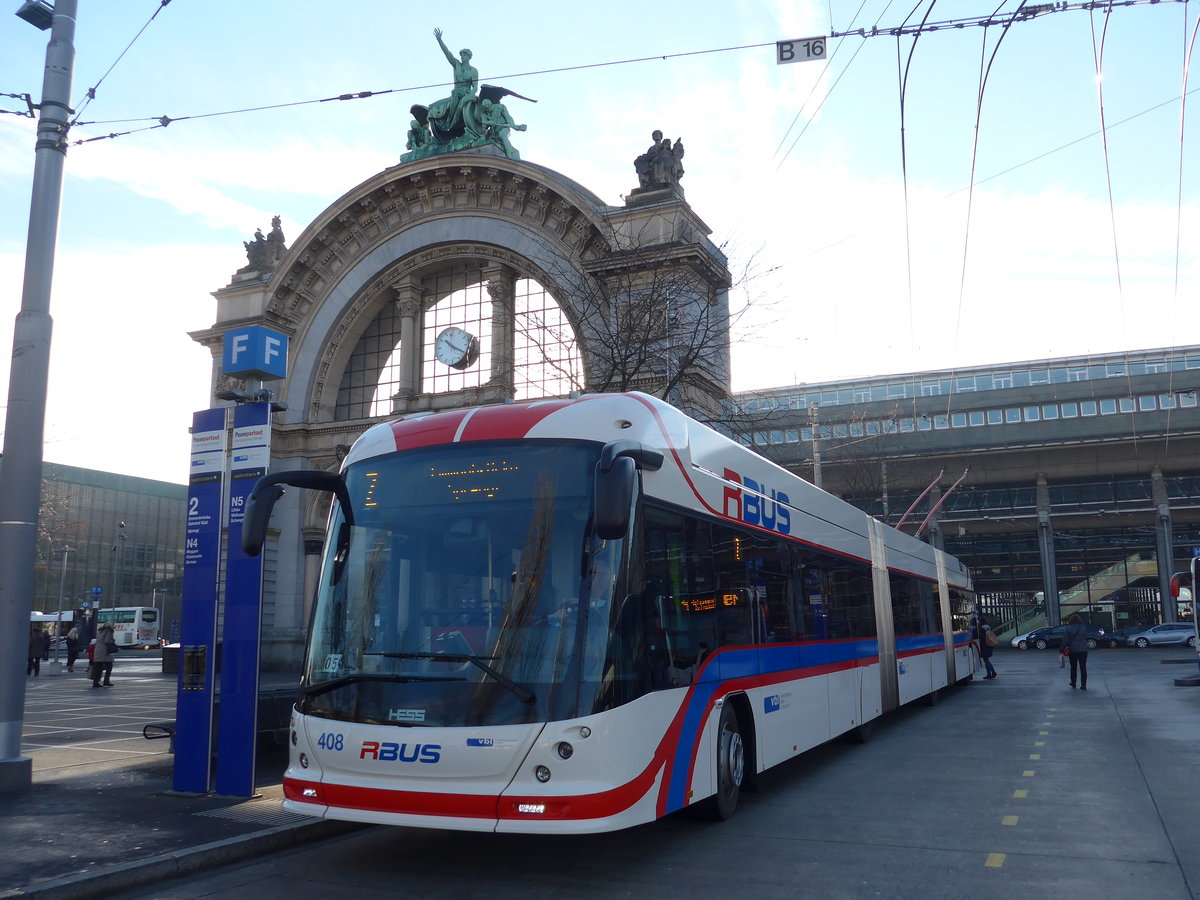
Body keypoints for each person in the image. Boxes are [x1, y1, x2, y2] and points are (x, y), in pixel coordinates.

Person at [1063, 613, 1089, 690]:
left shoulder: (1068, 629)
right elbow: (1086, 637)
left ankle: (1073, 683)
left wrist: (1062, 649)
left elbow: (1065, 640)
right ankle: (1083, 685)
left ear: (1071, 620)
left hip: (1073, 650)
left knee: (1073, 667)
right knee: (1083, 667)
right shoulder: (1083, 628)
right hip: (1083, 650)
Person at [91, 623, 116, 688]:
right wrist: (112, 641)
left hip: (97, 651)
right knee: (109, 667)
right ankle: (106, 681)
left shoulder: (99, 631)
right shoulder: (108, 631)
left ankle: (95, 682)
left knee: (97, 668)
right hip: (105, 652)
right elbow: (107, 641)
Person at [974, 615, 997, 680]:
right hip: (989, 645)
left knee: (986, 660)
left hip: (984, 646)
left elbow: (981, 639)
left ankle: (991, 673)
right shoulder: (988, 628)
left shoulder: (981, 629)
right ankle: (991, 673)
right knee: (987, 660)